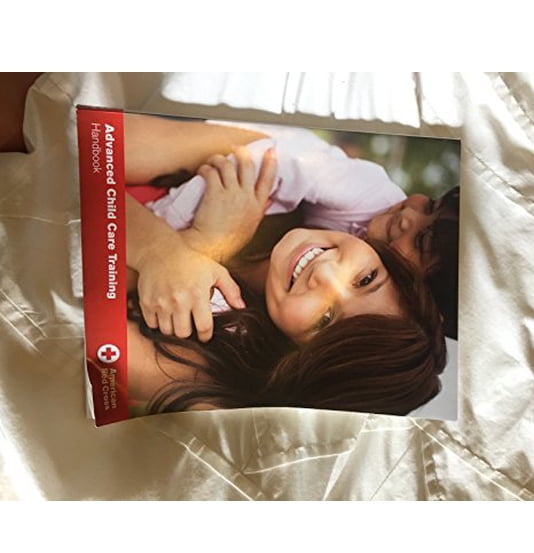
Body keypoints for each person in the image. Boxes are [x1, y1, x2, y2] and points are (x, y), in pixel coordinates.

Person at [125, 152, 447, 418]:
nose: (325, 274)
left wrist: (195, 246)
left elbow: (92, 324)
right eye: (365, 279)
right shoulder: (278, 191)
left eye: (325, 319)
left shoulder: (203, 362)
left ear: (296, 359)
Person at [124, 114, 460, 339]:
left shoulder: (350, 318)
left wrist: (195, 248)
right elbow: (266, 164)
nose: (411, 212)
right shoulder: (373, 194)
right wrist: (176, 234)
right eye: (431, 205)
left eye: (422, 242)